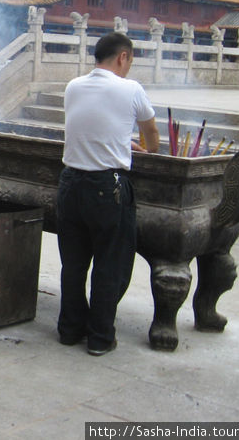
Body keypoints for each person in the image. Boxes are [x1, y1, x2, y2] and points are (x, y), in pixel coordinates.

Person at [57, 31, 159, 356]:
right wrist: (144, 148)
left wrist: (117, 141)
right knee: (108, 265)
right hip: (106, 187)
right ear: (123, 57)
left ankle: (70, 330)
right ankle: (100, 337)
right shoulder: (131, 89)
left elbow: (91, 125)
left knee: (73, 265)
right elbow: (152, 135)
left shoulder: (73, 86)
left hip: (70, 183)